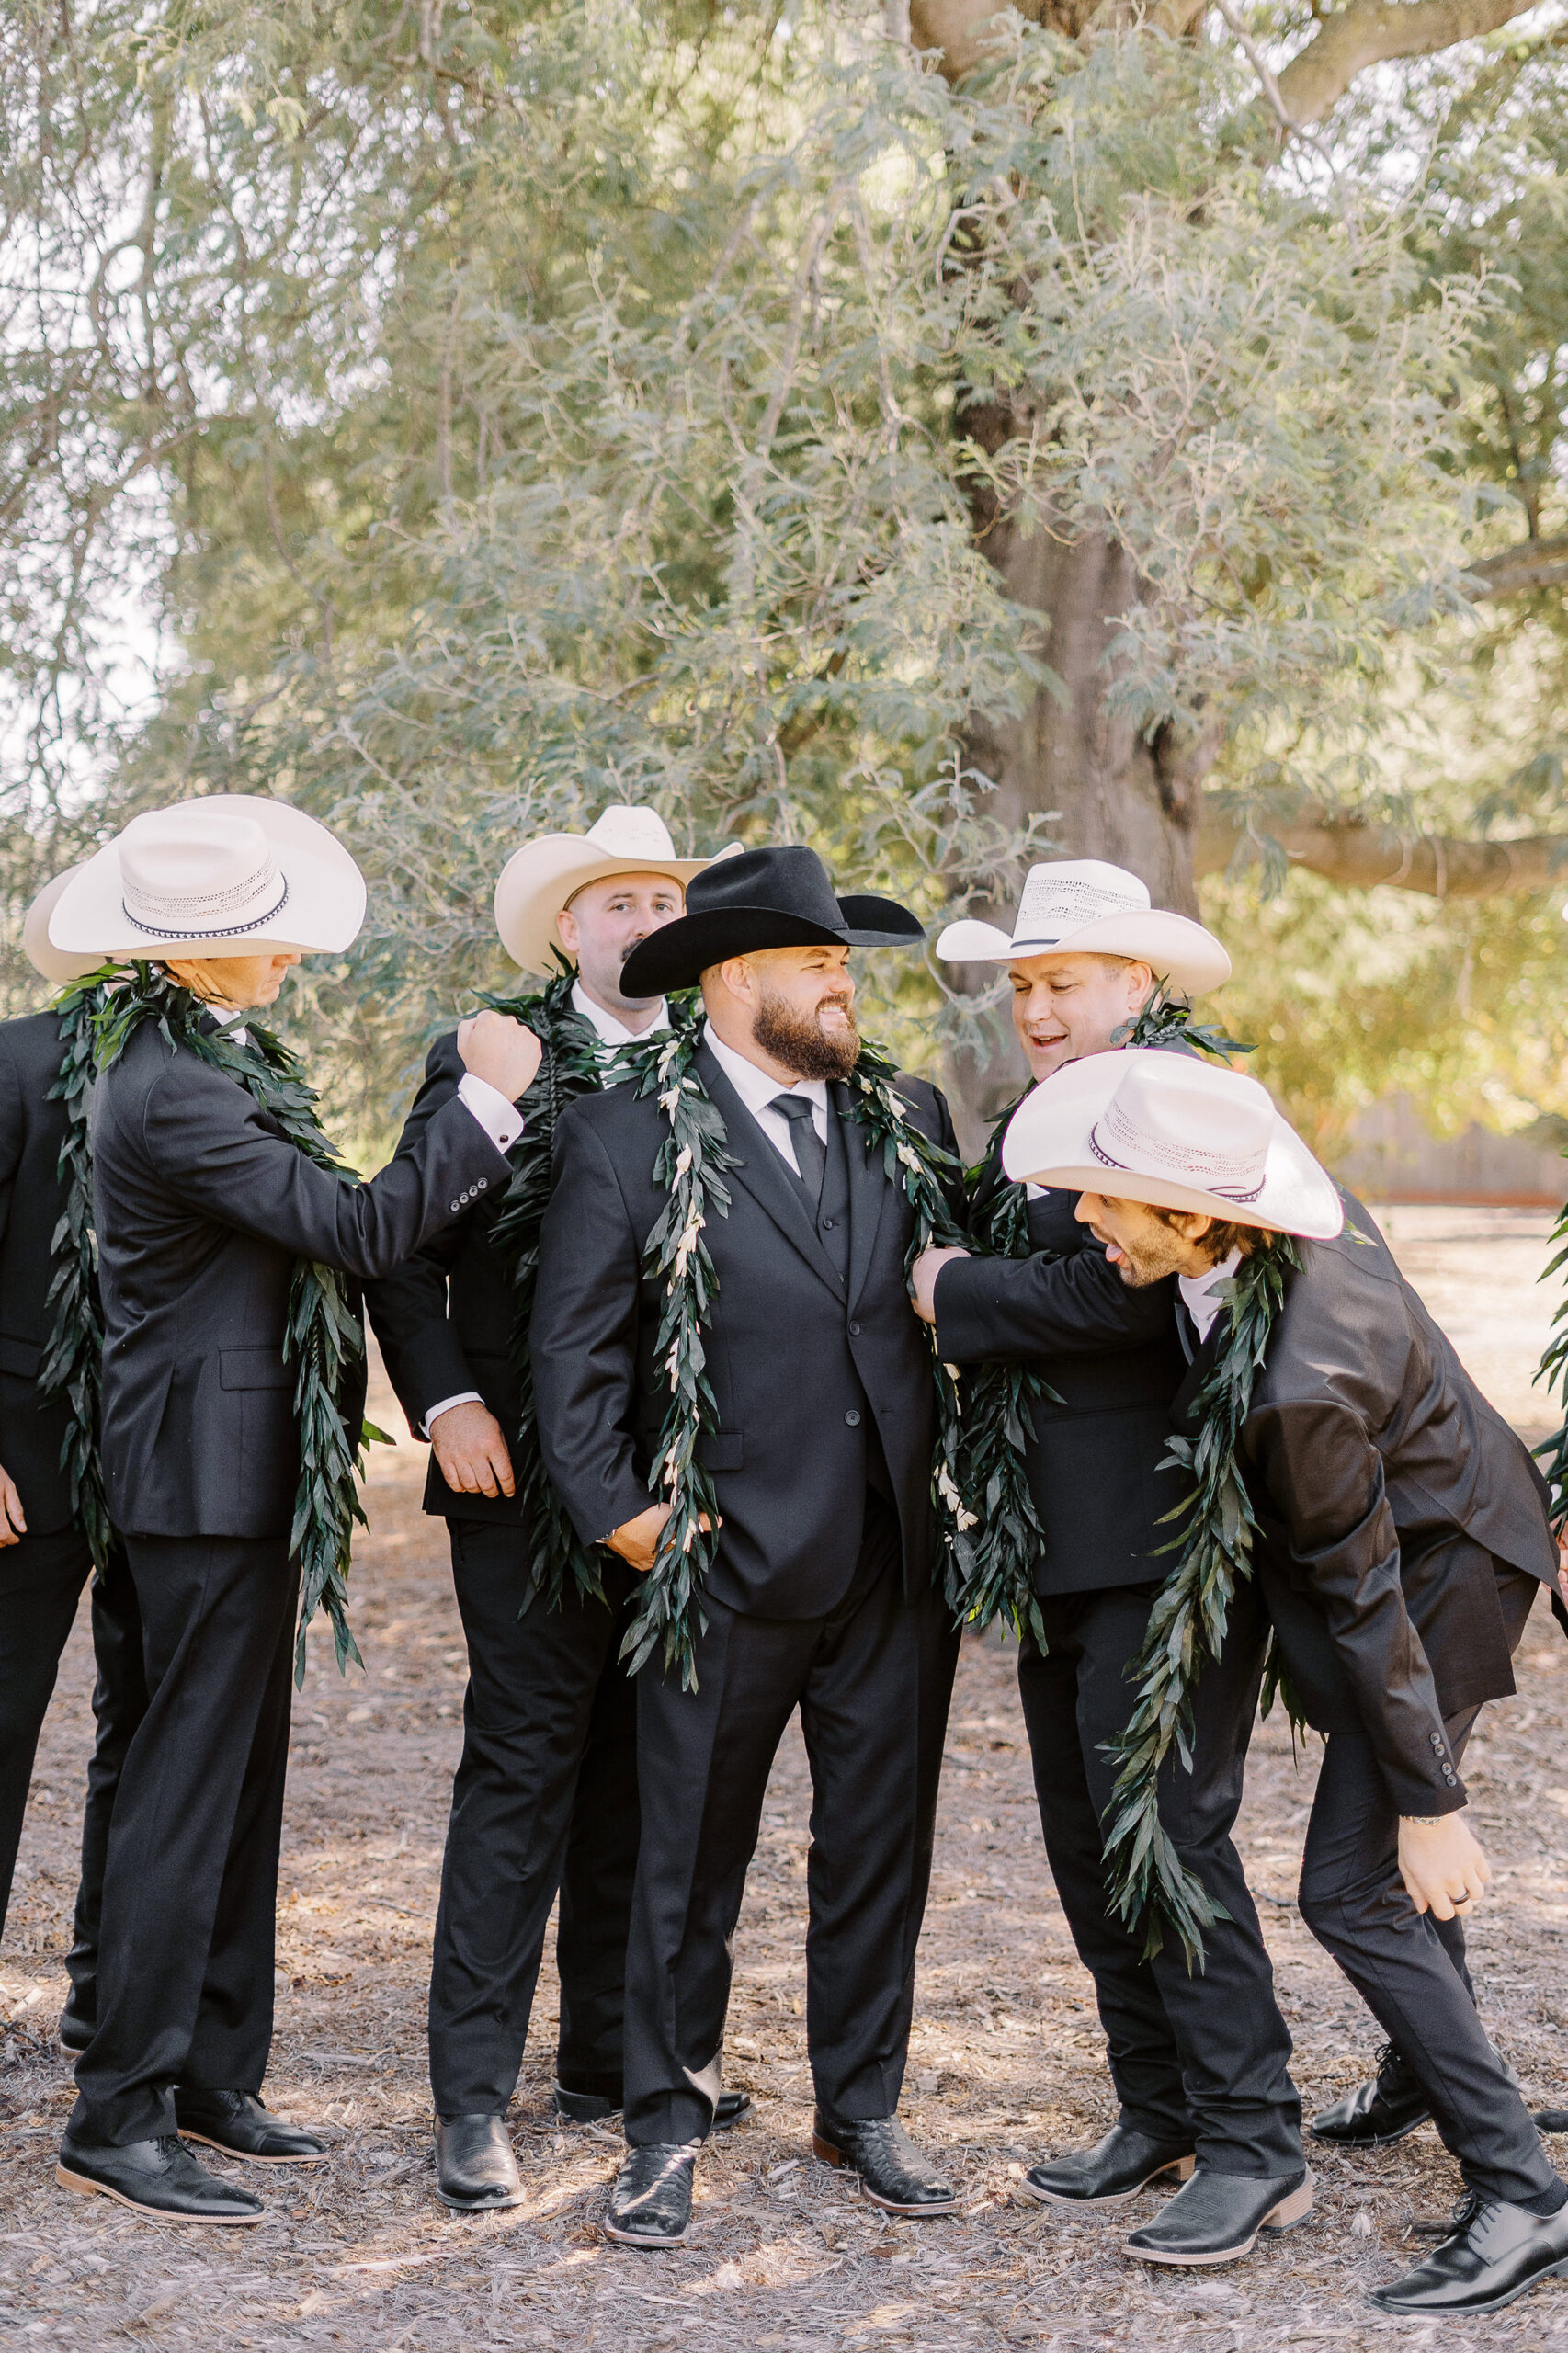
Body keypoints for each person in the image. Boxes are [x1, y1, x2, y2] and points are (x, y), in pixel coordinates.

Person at [43, 794, 542, 2227]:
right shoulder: (178, 1086)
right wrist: (484, 1094)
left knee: (223, 1780)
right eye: (267, 939)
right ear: (199, 955)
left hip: (216, 1476)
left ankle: (208, 2071)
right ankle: (120, 2110)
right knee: (182, 1791)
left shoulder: (192, 1053)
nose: (293, 959)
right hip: (198, 1481)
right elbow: (363, 1226)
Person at [1006, 1047, 1568, 2313]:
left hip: (1447, 1577)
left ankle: (1522, 2193)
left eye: (1107, 1197)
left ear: (1196, 1216)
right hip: (1415, 1547)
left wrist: (1429, 1801)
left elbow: (1367, 1599)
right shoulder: (1255, 1239)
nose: (1082, 1216)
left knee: (1353, 1891)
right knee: (1377, 1878)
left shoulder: (1296, 1384)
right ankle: (1433, 2070)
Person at [531, 845, 962, 2248]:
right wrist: (620, 1513)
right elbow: (574, 1352)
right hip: (712, 1563)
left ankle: (862, 2107)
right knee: (684, 1863)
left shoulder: (909, 1114)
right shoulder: (622, 1133)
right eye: (816, 962)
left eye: (845, 962)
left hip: (894, 1563)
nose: (843, 984)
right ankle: (663, 2121)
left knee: (876, 1851)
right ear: (732, 980)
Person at [905, 861, 1308, 2268]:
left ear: (1137, 984)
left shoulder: (1181, 1104)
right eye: (1020, 985)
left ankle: (1255, 2139)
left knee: (1169, 1841)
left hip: (1162, 1540)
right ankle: (1161, 2106)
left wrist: (954, 1291)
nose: (1033, 1007)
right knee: (1091, 1845)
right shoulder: (1041, 1112)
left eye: (1060, 982)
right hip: (1059, 1545)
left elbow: (1129, 1294)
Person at [367, 804, 746, 2213]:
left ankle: (605, 2059)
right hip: (516, 1476)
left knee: (648, 1777)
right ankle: (471, 2099)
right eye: (618, 904)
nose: (646, 923)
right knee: (520, 1774)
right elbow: (403, 1243)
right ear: (566, 930)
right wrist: (448, 1400)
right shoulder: (491, 1056)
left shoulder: (722, 1059)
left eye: (664, 900)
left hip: (685, 1493)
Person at [0, 875, 147, 2045]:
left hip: (168, 1462)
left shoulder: (222, 1077)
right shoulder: (13, 1061)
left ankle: (107, 2001)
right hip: (18, 1463)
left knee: (145, 1730)